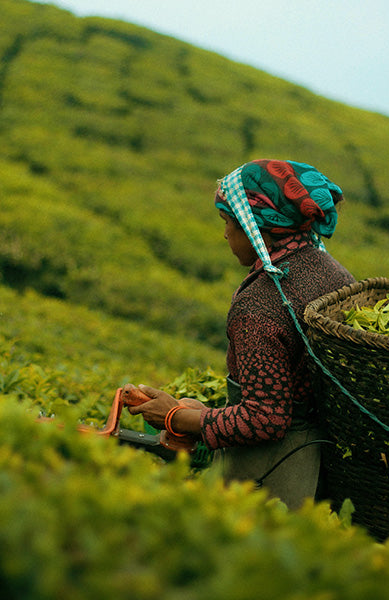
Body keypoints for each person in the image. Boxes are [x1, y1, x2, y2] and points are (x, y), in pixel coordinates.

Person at [126, 159, 355, 509]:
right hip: (317, 461)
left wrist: (177, 417)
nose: (225, 234)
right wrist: (202, 412)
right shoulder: (334, 272)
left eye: (228, 222)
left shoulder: (259, 305)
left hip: (269, 473)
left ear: (255, 228)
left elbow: (266, 419)